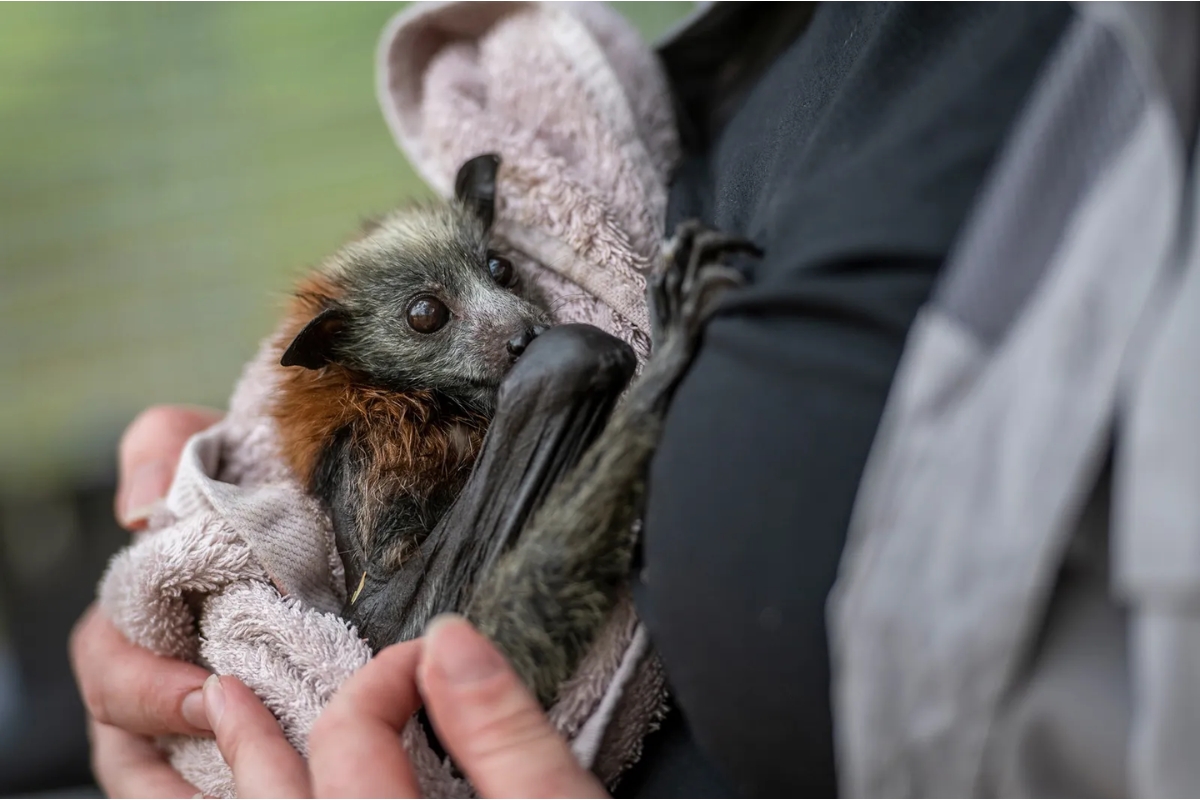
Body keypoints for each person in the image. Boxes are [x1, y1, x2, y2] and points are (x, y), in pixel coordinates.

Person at [69, 3, 1073, 796]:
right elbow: (379, 602)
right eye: (431, 317)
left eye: (498, 271)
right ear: (345, 354)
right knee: (567, 367)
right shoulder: (383, 432)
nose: (507, 314)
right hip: (441, 659)